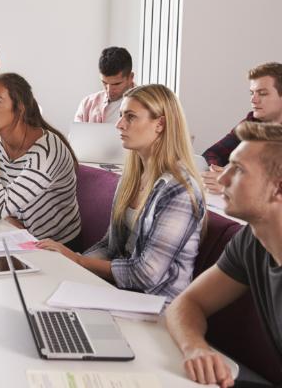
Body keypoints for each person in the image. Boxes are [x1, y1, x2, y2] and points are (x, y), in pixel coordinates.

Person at [39, 84, 206, 301]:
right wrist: (71, 267)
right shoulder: (132, 177)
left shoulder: (179, 191)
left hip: (157, 308)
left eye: (130, 117)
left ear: (160, 124)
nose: (119, 124)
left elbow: (146, 275)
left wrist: (78, 261)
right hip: (123, 295)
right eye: (120, 116)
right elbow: (110, 246)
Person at [166, 121, 282, 388]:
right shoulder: (252, 239)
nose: (221, 178)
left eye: (238, 170)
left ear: (278, 187)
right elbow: (187, 304)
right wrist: (195, 348)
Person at [0, 72, 82, 247]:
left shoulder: (46, 152)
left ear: (19, 108)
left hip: (57, 247)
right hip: (16, 234)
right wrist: (12, 223)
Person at [201, 62, 282, 195]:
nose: (253, 100)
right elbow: (213, 153)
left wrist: (233, 184)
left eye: (262, 93)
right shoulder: (252, 122)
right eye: (252, 93)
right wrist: (220, 173)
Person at [74, 46, 135, 123]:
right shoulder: (87, 104)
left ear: (131, 77)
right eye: (105, 83)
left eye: (116, 84)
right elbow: (75, 134)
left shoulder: (147, 106)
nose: (109, 90)